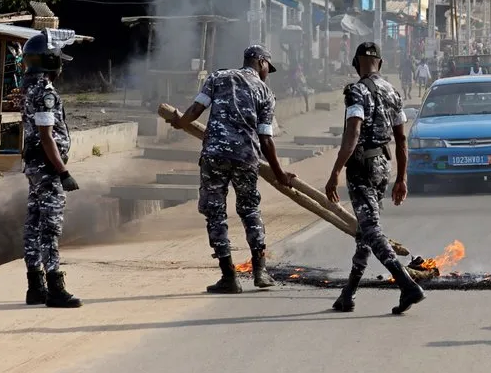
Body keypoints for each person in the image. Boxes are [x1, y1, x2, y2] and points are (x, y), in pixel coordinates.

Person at [167, 45, 295, 294]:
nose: (268, 72)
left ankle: (229, 276)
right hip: (247, 158)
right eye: (269, 66)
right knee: (250, 210)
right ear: (260, 62)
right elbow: (266, 138)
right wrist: (280, 173)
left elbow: (194, 111)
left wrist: (179, 123)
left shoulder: (218, 77)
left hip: (215, 155)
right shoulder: (265, 92)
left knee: (215, 213)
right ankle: (260, 271)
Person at [325, 42, 426, 315]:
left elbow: (353, 132)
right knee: (365, 231)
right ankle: (348, 294)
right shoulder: (393, 92)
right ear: (380, 63)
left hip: (361, 166)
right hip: (383, 165)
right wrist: (401, 178)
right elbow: (402, 138)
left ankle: (407, 284)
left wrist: (335, 172)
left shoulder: (356, 91)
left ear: (356, 63)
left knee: (370, 230)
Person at [21, 29, 82, 308]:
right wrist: (63, 172)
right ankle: (55, 288)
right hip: (47, 168)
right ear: (51, 61)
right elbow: (47, 136)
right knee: (50, 228)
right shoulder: (46, 92)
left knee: (33, 223)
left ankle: (35, 286)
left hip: (33, 166)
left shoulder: (27, 86)